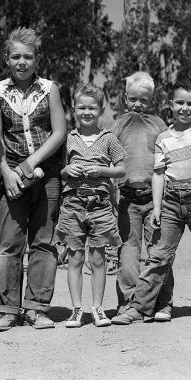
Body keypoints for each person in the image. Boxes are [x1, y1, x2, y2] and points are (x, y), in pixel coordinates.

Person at [112, 81, 191, 324]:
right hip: (170, 200)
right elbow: (159, 174)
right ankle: (139, 308)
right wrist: (157, 208)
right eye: (180, 103)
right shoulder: (164, 137)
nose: (185, 108)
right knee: (158, 256)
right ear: (170, 106)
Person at [0, 27, 67, 331]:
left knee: (43, 242)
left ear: (37, 60)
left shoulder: (50, 89)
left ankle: (37, 309)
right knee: (9, 243)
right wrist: (7, 172)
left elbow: (59, 132)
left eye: (28, 57)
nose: (22, 62)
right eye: (16, 56)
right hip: (12, 177)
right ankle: (7, 309)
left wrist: (31, 162)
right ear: (7, 59)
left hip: (47, 177)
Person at [56, 83, 126, 328]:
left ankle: (98, 308)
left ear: (101, 110)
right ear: (74, 109)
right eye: (81, 107)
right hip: (73, 204)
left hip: (100, 204)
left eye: (92, 108)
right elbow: (60, 171)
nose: (86, 112)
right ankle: (76, 310)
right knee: (74, 259)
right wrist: (67, 170)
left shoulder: (108, 139)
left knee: (98, 259)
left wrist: (102, 170)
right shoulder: (68, 139)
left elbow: (121, 168)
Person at [112, 71, 175, 321]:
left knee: (159, 252)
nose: (138, 104)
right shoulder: (118, 125)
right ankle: (128, 302)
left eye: (144, 100)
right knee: (128, 254)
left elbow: (168, 156)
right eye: (133, 99)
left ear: (152, 101)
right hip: (126, 200)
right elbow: (109, 157)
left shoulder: (159, 124)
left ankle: (163, 302)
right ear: (125, 99)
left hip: (155, 199)